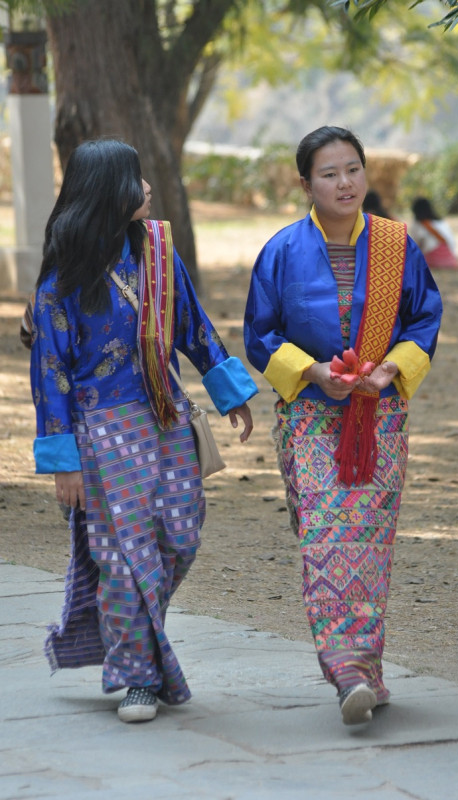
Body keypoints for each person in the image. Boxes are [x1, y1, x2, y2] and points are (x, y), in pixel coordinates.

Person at [30, 138, 258, 724]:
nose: (148, 188)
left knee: (180, 537)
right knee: (122, 555)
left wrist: (228, 391)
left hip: (167, 419)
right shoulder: (61, 280)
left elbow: (194, 327)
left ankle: (127, 634)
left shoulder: (159, 253)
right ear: (109, 191)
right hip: (101, 434)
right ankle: (137, 676)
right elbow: (49, 374)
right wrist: (65, 465)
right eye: (136, 179)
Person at [244, 126, 442, 726]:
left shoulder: (396, 245)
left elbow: (424, 318)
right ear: (306, 184)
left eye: (353, 169)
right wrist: (310, 371)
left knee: (370, 544)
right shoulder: (281, 250)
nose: (345, 182)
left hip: (378, 417)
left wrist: (389, 372)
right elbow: (260, 335)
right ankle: (345, 668)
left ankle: (366, 670)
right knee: (329, 537)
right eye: (329, 174)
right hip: (310, 416)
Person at [409, 196, 458, 270]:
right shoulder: (440, 222)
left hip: (433, 257)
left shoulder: (419, 224)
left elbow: (416, 244)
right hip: (450, 257)